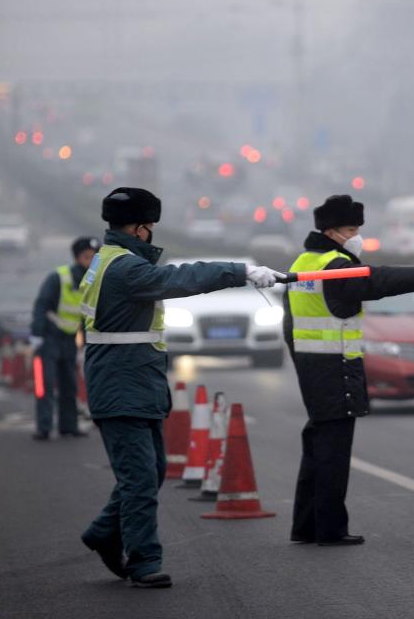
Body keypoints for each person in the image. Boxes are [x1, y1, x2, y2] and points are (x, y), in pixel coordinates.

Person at [79, 187, 283, 588]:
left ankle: (103, 533)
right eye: (150, 226)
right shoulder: (125, 269)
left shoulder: (110, 259)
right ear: (139, 228)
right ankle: (143, 562)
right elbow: (179, 278)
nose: (151, 233)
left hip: (133, 383)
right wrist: (240, 271)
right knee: (140, 481)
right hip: (122, 386)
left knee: (151, 472)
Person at [284, 194, 414, 545]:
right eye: (351, 229)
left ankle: (307, 526)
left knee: (317, 448)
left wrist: (302, 362)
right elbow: (375, 281)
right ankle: (331, 530)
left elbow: (290, 325)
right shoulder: (336, 265)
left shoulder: (305, 261)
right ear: (332, 231)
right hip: (335, 368)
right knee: (333, 453)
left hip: (312, 366)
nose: (357, 236)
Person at [29, 236, 100, 441]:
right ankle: (43, 427)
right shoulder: (60, 277)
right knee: (46, 385)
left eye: (95, 258)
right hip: (48, 338)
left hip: (69, 340)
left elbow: (87, 316)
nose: (91, 262)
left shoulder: (92, 283)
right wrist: (36, 335)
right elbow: (41, 305)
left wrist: (88, 343)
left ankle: (68, 426)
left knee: (70, 386)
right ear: (78, 258)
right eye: (88, 257)